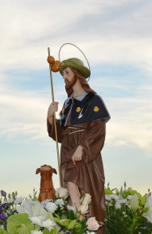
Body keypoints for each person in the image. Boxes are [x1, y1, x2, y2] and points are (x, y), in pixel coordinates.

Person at [47, 57, 110, 224]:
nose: (65, 78)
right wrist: (50, 116)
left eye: (67, 73)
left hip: (85, 154)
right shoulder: (67, 104)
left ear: (77, 73)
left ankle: (85, 227)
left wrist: (83, 147)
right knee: (70, 189)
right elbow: (60, 134)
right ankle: (77, 227)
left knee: (81, 188)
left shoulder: (92, 100)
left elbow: (98, 129)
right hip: (68, 151)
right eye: (62, 75)